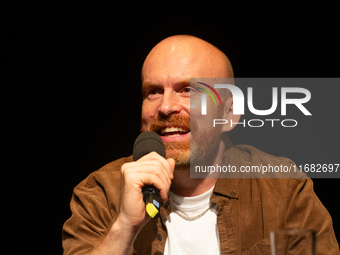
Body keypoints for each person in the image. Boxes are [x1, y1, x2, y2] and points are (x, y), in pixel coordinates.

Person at [62, 35, 339, 254]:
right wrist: (124, 227)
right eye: (153, 92)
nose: (166, 107)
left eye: (188, 90)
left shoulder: (282, 188)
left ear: (229, 114)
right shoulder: (100, 193)